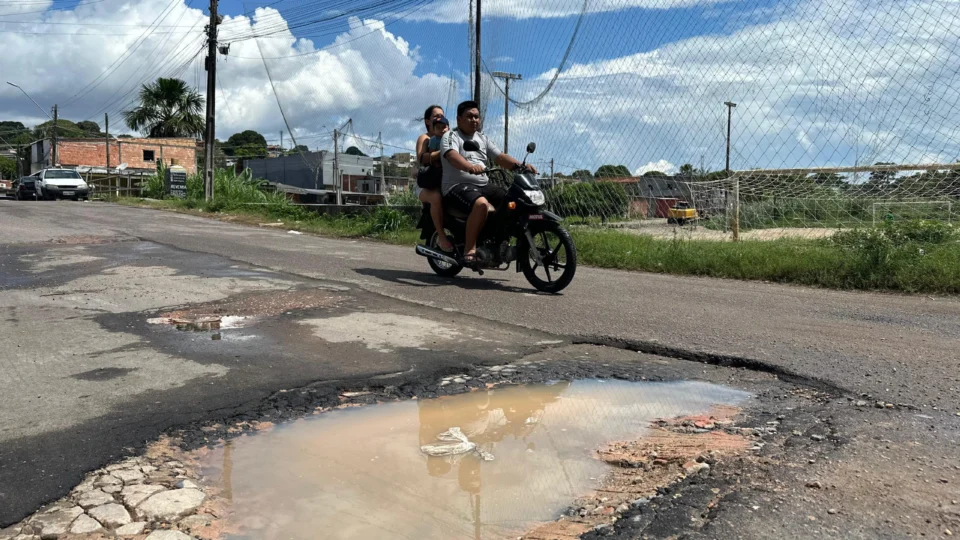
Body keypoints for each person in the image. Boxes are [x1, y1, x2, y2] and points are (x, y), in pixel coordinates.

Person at [441, 100, 536, 264]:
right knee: (481, 204)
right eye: (469, 116)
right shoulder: (451, 136)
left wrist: (521, 166)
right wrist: (470, 167)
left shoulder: (482, 138)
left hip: (483, 185)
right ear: (458, 119)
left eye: (477, 117)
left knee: (511, 201)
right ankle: (469, 249)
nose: (474, 120)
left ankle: (500, 242)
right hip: (456, 186)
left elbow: (499, 157)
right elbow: (452, 156)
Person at [416, 105, 454, 252]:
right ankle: (442, 236)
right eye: (436, 116)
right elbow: (422, 158)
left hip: (444, 179)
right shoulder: (425, 138)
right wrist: (444, 151)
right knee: (436, 197)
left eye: (442, 116)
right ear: (427, 121)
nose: (440, 119)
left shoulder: (449, 136)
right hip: (425, 183)